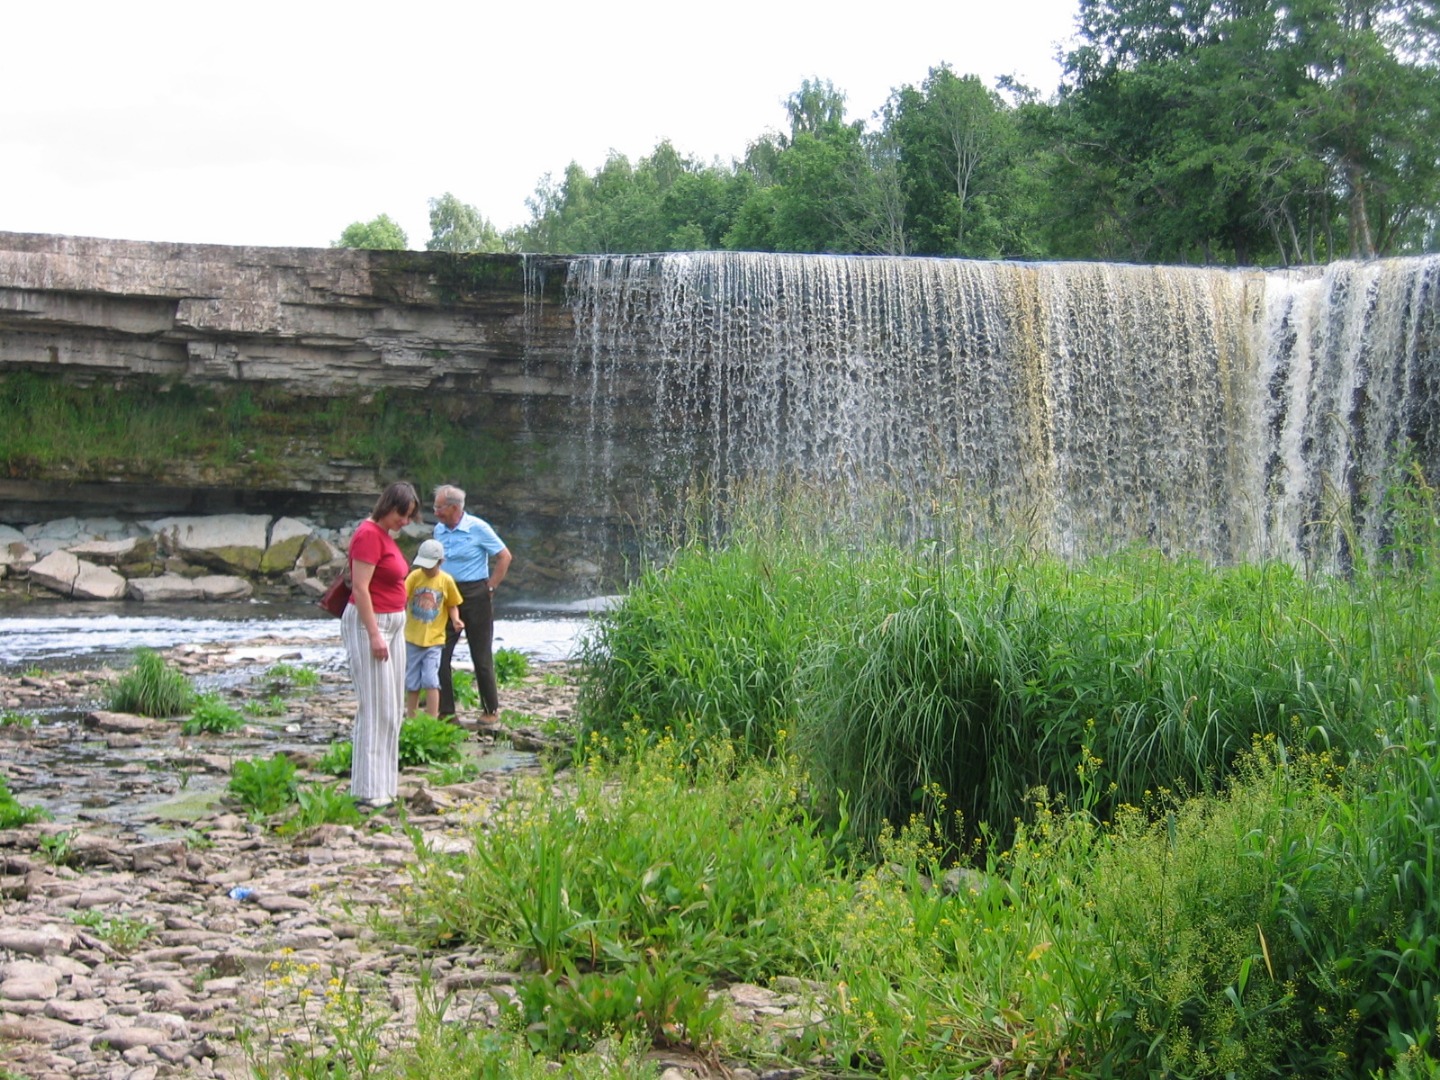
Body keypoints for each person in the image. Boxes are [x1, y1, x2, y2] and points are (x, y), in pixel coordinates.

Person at [341, 481, 419, 809]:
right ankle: (367, 790)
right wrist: (374, 634)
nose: (406, 521)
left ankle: (384, 786)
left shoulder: (384, 536)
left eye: (410, 515)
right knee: (374, 708)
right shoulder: (368, 535)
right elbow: (360, 589)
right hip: (371, 625)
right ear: (388, 506)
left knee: (390, 709)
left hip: (393, 624)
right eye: (403, 513)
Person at [431, 484, 512, 727]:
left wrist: (491, 586)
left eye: (439, 507)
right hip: (446, 594)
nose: (435, 512)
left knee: (481, 654)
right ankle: (447, 712)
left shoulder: (478, 527)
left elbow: (504, 556)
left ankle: (490, 710)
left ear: (455, 507)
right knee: (439, 653)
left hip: (475, 593)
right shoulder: (438, 530)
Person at [403, 538, 463, 719]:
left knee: (430, 680)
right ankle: (411, 718)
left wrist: (456, 620)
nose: (426, 570)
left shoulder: (446, 581)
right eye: (423, 565)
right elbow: (402, 598)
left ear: (440, 562)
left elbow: (452, 604)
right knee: (412, 681)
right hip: (412, 637)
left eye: (430, 566)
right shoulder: (414, 577)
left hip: (435, 640)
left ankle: (430, 719)